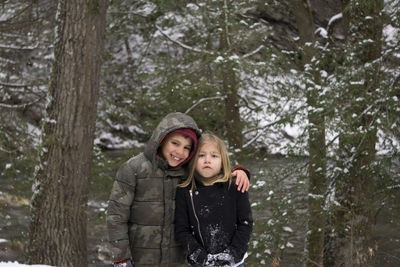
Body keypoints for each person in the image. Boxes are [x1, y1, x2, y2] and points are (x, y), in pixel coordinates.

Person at [107, 112, 250, 267]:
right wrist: (121, 257)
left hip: (177, 259)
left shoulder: (188, 171)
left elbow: (214, 172)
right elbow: (116, 216)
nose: (180, 152)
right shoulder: (133, 169)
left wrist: (240, 171)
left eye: (187, 148)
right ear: (161, 140)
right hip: (140, 257)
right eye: (175, 143)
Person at [175, 133, 253, 267]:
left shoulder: (235, 187)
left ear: (223, 160)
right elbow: (182, 229)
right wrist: (198, 255)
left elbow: (245, 223)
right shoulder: (185, 191)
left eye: (214, 155)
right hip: (200, 262)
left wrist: (232, 254)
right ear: (193, 159)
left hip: (233, 262)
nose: (207, 160)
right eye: (201, 155)